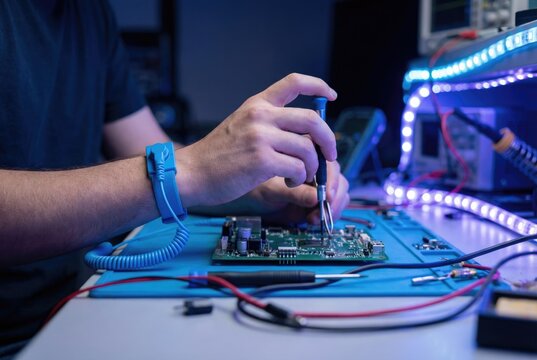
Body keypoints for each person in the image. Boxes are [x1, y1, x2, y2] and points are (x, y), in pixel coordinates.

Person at [0, 0, 349, 357]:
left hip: (75, 305)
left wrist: (259, 189)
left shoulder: (88, 13)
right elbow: (177, 169)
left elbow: (144, 148)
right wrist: (192, 169)